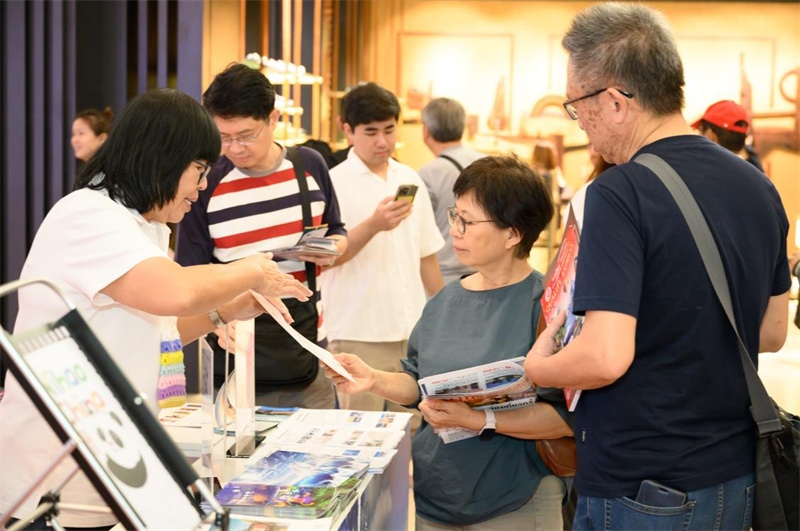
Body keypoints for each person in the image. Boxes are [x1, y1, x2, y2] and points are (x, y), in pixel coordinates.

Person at [524, 3, 791, 530]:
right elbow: (772, 331)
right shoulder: (758, 187)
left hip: (642, 481)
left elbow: (603, 357)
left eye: (578, 107)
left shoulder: (619, 193)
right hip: (732, 473)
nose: (583, 125)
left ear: (617, 102)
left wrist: (537, 368)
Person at [0, 88, 312, 530]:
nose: (202, 187)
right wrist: (253, 269)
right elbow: (175, 292)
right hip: (56, 470)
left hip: (107, 462)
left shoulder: (142, 225)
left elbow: (159, 330)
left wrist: (229, 311)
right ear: (164, 158)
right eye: (199, 170)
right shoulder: (88, 215)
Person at [324, 155, 571, 529]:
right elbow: (417, 380)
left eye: (467, 222)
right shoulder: (445, 299)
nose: (454, 230)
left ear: (512, 234)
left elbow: (565, 419)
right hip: (437, 494)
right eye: (455, 216)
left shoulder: (547, 307)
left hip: (514, 499)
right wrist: (373, 379)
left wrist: (479, 419)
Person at [175, 63, 347, 410]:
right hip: (234, 354)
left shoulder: (310, 166)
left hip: (308, 347)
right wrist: (216, 325)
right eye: (223, 137)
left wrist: (332, 250)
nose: (235, 147)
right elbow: (191, 274)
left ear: (273, 118)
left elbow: (337, 231)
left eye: (247, 134)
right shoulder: (205, 183)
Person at [320, 82, 444, 414]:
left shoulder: (410, 178)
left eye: (389, 130)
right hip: (358, 332)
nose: (382, 142)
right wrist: (374, 224)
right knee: (361, 436)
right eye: (370, 132)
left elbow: (426, 255)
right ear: (347, 130)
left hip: (413, 330)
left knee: (413, 433)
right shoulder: (332, 183)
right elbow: (324, 260)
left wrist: (443, 313)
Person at [418, 97, 485, 284]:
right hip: (485, 272)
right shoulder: (488, 163)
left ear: (426, 130)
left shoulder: (428, 174)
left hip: (443, 276)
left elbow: (419, 230)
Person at [692, 99, 764, 172]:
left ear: (711, 135)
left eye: (700, 130)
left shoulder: (700, 172)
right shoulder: (755, 172)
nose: (699, 135)